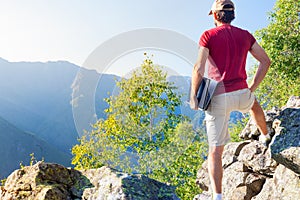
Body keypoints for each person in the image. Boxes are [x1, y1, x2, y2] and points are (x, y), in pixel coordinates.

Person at [189, 0, 271, 199]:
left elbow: (199, 68)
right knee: (254, 105)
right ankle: (266, 135)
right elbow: (265, 61)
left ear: (216, 15)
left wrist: (193, 96)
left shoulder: (208, 35)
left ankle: (217, 196)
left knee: (215, 152)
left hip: (218, 97)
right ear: (232, 14)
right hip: (241, 93)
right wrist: (251, 88)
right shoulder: (245, 35)